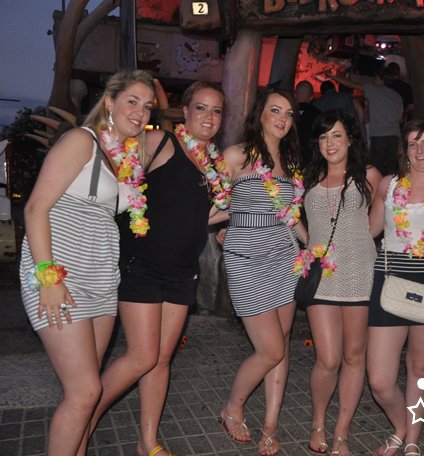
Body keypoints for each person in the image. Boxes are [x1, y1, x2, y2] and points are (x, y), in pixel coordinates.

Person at [88, 81, 227, 456]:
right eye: (201, 108)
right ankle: (83, 416)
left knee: (161, 359)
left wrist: (232, 218)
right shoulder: (161, 142)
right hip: (144, 264)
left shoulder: (212, 164)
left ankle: (147, 442)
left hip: (182, 272)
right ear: (186, 111)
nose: (209, 117)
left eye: (216, 111)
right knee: (142, 356)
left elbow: (199, 214)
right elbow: (112, 172)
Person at [19, 70, 154, 455]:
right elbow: (35, 208)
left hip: (101, 276)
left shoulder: (124, 158)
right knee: (85, 391)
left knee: (84, 392)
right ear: (109, 102)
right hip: (60, 272)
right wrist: (47, 278)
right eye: (132, 101)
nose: (140, 112)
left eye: (147, 106)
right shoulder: (82, 140)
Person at [213, 88, 307, 456]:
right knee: (270, 350)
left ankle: (270, 426)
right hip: (246, 259)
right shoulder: (236, 155)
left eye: (289, 113)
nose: (283, 119)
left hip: (284, 258)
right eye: (275, 110)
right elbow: (211, 206)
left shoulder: (291, 162)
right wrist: (233, 220)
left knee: (281, 344)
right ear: (260, 114)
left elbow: (290, 217)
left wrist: (315, 247)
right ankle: (232, 407)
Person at [367, 119, 424, 456]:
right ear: (405, 150)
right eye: (413, 143)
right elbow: (370, 230)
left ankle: (411, 440)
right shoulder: (388, 185)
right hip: (388, 280)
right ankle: (401, 426)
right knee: (379, 380)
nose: (420, 150)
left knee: (420, 368)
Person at [302, 110, 382, 456]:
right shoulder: (309, 177)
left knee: (353, 355)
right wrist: (308, 245)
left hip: (359, 273)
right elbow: (291, 216)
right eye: (323, 137)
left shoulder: (369, 176)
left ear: (350, 139)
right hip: (322, 278)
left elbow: (376, 225)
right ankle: (318, 421)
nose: (330, 143)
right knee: (329, 357)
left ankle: (341, 432)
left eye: (336, 135)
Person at [328, 66, 403, 176]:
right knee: (392, 172)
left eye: (375, 78)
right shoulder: (397, 96)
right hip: (395, 137)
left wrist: (333, 76)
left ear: (380, 78)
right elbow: (401, 118)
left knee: (376, 171)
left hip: (379, 136)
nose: (373, 80)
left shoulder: (373, 90)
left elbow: (351, 84)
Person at [295, 80, 321, 167]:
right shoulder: (317, 114)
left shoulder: (288, 112)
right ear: (311, 97)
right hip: (309, 161)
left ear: (295, 95)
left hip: (287, 158)